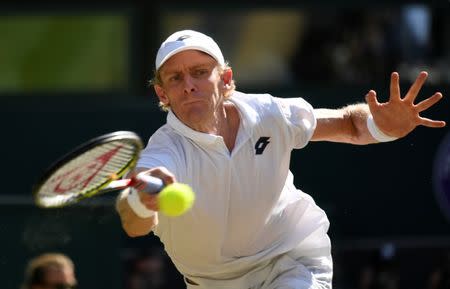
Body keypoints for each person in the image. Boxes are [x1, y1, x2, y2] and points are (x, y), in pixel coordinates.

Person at [115, 29, 446, 289]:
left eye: (200, 72)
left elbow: (349, 125)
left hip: (291, 260)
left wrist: (381, 126)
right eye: (175, 78)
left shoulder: (268, 113)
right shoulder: (164, 151)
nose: (189, 86)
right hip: (213, 283)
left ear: (226, 80)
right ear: (163, 94)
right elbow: (133, 222)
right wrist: (143, 201)